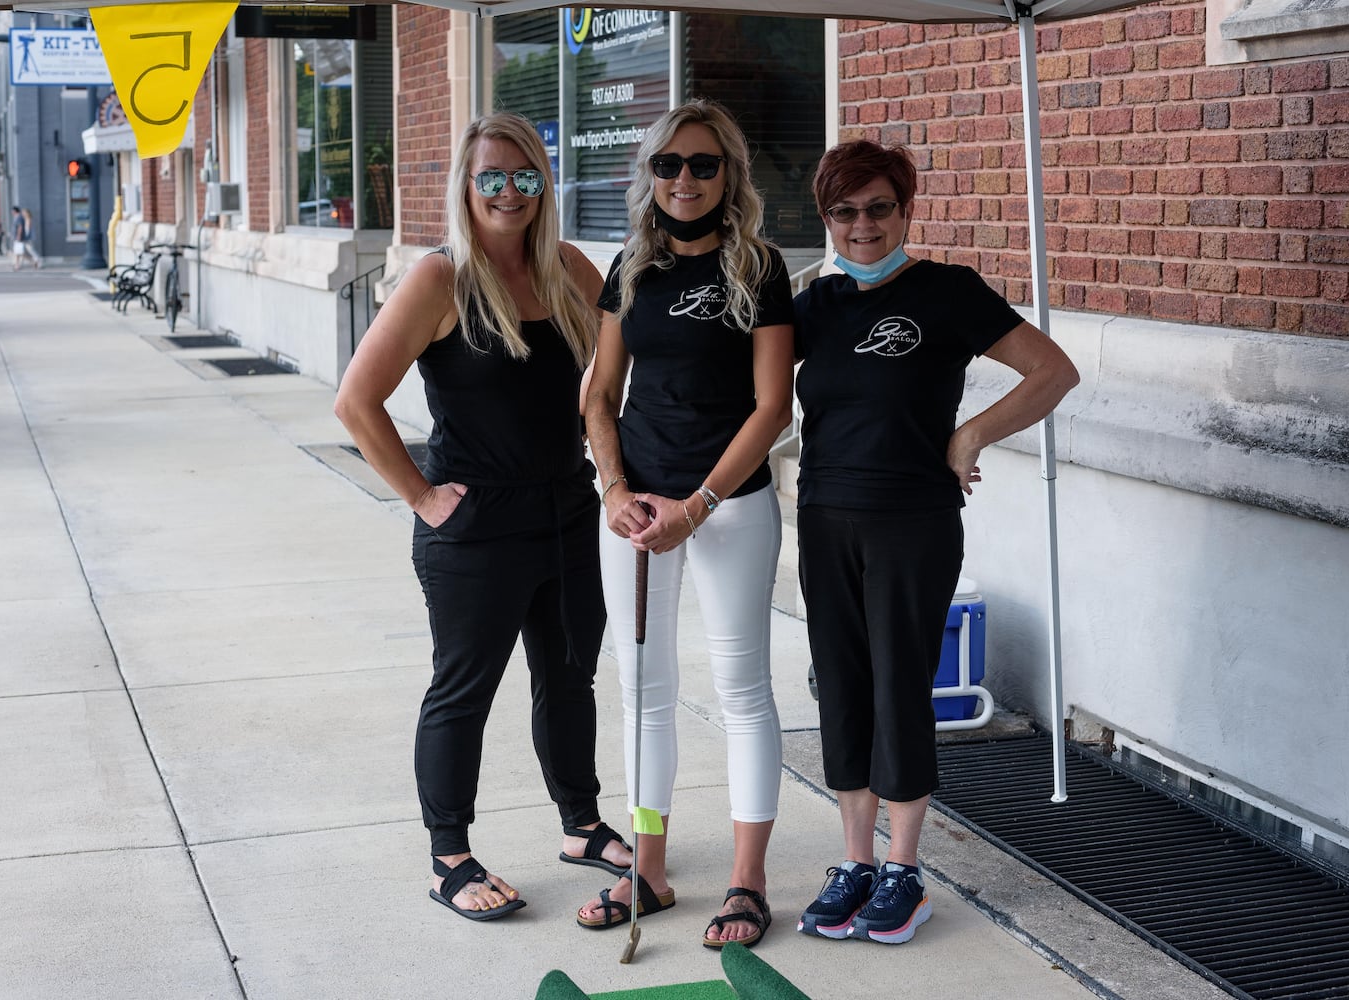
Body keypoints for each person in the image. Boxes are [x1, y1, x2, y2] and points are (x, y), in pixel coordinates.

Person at [333, 112, 630, 921]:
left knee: (570, 677)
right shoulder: (440, 280)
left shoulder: (572, 269)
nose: (508, 191)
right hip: (476, 526)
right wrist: (423, 497)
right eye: (490, 177)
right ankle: (449, 855)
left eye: (525, 176)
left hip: (568, 512)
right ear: (465, 188)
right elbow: (356, 403)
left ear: (546, 185)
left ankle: (581, 822)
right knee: (464, 689)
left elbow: (626, 371)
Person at [791, 139, 1079, 945]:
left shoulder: (948, 293)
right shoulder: (812, 305)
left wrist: (972, 435)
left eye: (879, 207)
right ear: (827, 219)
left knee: (897, 685)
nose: (863, 225)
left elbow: (1053, 372)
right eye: (843, 212)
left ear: (906, 208)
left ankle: (905, 869)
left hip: (913, 521)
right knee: (842, 686)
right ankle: (854, 862)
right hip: (823, 519)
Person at [578, 99, 794, 949]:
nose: (685, 180)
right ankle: (652, 871)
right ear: (649, 176)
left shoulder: (761, 268)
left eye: (703, 164)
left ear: (729, 175)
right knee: (644, 694)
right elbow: (599, 395)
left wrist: (697, 504)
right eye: (669, 165)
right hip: (634, 511)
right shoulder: (629, 268)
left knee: (743, 692)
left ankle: (747, 882)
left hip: (729, 508)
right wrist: (615, 490)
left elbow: (774, 406)